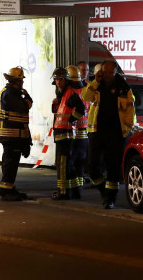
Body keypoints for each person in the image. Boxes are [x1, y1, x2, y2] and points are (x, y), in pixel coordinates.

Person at [81, 60, 136, 209]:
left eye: (110, 73)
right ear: (101, 72)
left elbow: (130, 111)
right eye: (104, 72)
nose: (107, 75)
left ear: (115, 72)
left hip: (116, 134)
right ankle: (104, 192)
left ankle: (110, 199)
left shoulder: (124, 89)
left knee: (113, 168)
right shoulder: (95, 85)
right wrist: (94, 82)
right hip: (97, 133)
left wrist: (128, 128)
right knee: (93, 169)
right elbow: (85, 97)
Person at [0, 66, 33, 201]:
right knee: (10, 163)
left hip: (12, 134)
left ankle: (9, 187)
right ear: (18, 81)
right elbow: (25, 107)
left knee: (10, 163)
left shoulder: (8, 92)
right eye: (21, 81)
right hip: (12, 134)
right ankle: (6, 190)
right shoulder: (10, 94)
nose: (22, 83)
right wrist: (27, 97)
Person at [50, 67, 85, 200]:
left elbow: (80, 108)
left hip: (66, 134)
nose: (58, 82)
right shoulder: (63, 94)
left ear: (66, 80)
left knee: (62, 164)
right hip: (62, 133)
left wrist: (71, 119)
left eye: (60, 79)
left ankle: (63, 191)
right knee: (68, 164)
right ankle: (74, 190)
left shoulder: (69, 93)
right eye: (56, 79)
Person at [66, 65, 89, 196]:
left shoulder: (71, 92)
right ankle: (78, 189)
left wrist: (70, 120)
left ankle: (74, 189)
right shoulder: (85, 90)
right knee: (79, 162)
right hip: (84, 132)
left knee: (72, 161)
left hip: (74, 131)